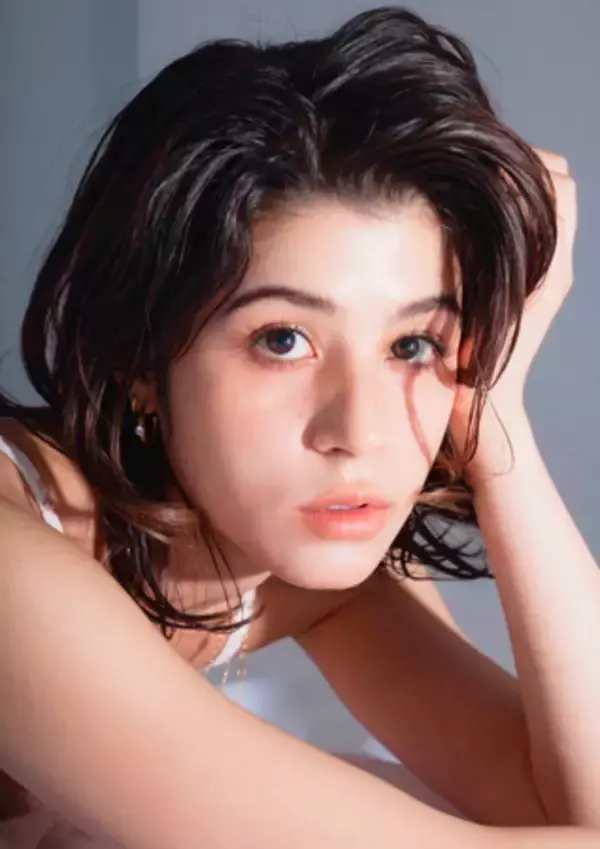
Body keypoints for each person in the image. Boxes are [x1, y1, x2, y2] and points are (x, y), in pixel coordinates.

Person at [0, 5, 598, 848]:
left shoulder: (310, 576)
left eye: (413, 344)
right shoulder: (15, 566)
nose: (360, 431)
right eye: (283, 340)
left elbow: (567, 808)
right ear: (140, 358)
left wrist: (496, 418)